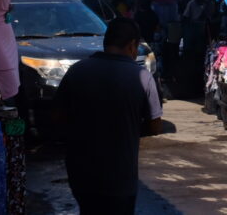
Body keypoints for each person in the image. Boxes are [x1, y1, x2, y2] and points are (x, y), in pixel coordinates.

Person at [54, 17, 162, 214]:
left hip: (81, 174)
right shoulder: (142, 77)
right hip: (120, 176)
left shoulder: (76, 71)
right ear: (132, 45)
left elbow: (59, 117)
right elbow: (155, 126)